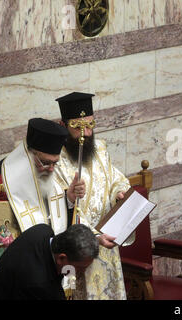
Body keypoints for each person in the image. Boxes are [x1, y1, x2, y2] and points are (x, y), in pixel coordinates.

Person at [54, 92, 131, 300]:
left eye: (90, 125)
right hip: (78, 250)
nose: (86, 133)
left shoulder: (100, 149)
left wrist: (119, 193)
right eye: (78, 127)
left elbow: (115, 178)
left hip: (108, 243)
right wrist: (69, 196)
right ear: (63, 125)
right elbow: (55, 203)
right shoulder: (56, 159)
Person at [0, 118, 85, 236]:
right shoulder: (0, 180)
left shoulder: (48, 171)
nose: (51, 169)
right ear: (28, 156)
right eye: (45, 162)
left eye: (55, 163)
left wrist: (68, 200)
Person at [0, 223, 98, 300]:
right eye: (80, 268)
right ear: (61, 258)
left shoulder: (43, 230)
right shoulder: (43, 288)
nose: (82, 272)